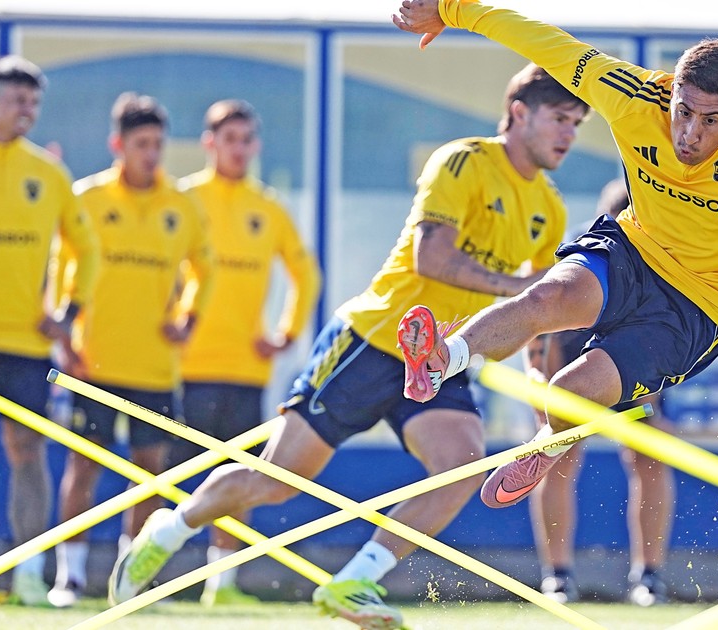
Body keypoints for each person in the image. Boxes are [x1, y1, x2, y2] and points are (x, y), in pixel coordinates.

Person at [109, 63, 588, 629]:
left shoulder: (549, 207)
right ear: (519, 113)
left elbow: (535, 311)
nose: (568, 134)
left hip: (439, 359)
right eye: (559, 118)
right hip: (372, 341)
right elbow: (431, 258)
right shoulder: (462, 162)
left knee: (461, 466)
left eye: (576, 124)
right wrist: (515, 287)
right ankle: (170, 528)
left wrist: (539, 379)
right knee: (276, 482)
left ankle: (355, 581)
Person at [392, 0, 718, 512]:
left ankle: (545, 448)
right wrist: (453, 9)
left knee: (568, 392)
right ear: (672, 92)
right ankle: (443, 359)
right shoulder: (635, 95)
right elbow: (549, 46)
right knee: (547, 297)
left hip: (702, 304)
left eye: (711, 120)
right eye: (683, 112)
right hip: (634, 249)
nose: (690, 134)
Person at [48, 92, 215, 608]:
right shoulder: (88, 198)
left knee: (150, 474)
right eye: (141, 144)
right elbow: (62, 271)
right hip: (93, 361)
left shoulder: (180, 204)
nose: (151, 154)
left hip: (155, 367)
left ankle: (129, 579)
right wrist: (64, 339)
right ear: (117, 144)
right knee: (84, 466)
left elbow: (205, 269)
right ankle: (70, 578)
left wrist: (188, 320)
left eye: (158, 144)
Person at [167, 99, 322, 607]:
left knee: (237, 476)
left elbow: (306, 274)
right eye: (229, 139)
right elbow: (158, 267)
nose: (239, 149)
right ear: (209, 143)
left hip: (245, 369)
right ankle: (148, 571)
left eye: (247, 139)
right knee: (167, 475)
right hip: (183, 366)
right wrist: (167, 323)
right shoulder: (184, 198)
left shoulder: (268, 207)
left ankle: (222, 582)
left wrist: (286, 332)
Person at [0, 55, 99, 606]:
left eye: (33, 101)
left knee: (27, 450)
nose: (25, 110)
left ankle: (29, 573)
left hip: (25, 342)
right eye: (15, 99)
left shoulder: (48, 174)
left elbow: (86, 249)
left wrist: (68, 314)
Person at [529, 179, 673, 606]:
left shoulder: (665, 260)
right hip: (573, 362)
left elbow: (664, 341)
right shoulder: (577, 257)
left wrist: (650, 405)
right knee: (558, 457)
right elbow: (539, 326)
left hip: (633, 365)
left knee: (648, 456)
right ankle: (557, 577)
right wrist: (540, 385)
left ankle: (648, 578)